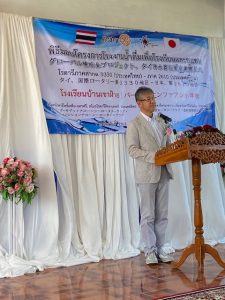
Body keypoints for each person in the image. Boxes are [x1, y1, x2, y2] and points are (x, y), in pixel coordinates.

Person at [126, 86, 173, 264]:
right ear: (139, 103)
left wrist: (171, 149)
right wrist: (154, 156)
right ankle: (150, 251)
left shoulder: (162, 121)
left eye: (154, 97)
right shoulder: (134, 124)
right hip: (146, 174)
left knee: (163, 214)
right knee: (148, 215)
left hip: (164, 172)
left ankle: (161, 248)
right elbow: (132, 150)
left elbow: (168, 144)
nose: (153, 101)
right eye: (148, 98)